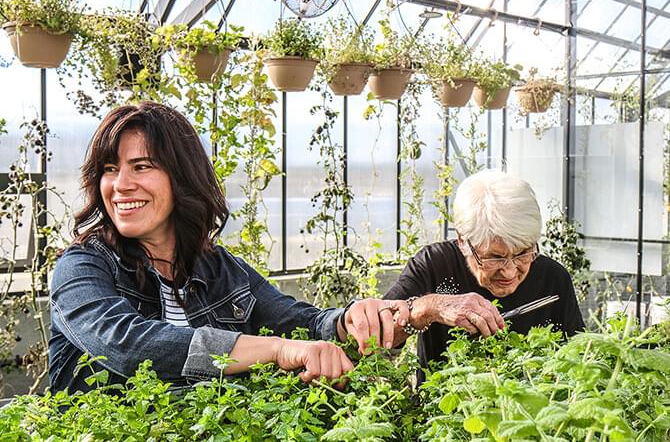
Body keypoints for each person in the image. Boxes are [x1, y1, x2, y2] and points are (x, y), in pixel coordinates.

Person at [48, 101, 409, 393]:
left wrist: (351, 320)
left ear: (182, 177)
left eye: (141, 166)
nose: (120, 184)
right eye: (110, 170)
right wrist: (278, 350)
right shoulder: (82, 267)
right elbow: (127, 345)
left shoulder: (217, 267)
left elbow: (300, 320)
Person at [383, 170, 585, 378]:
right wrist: (430, 308)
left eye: (523, 253)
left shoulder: (553, 279)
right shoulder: (436, 265)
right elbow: (377, 338)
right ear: (463, 241)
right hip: (446, 407)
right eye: (494, 257)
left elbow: (580, 356)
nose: (509, 270)